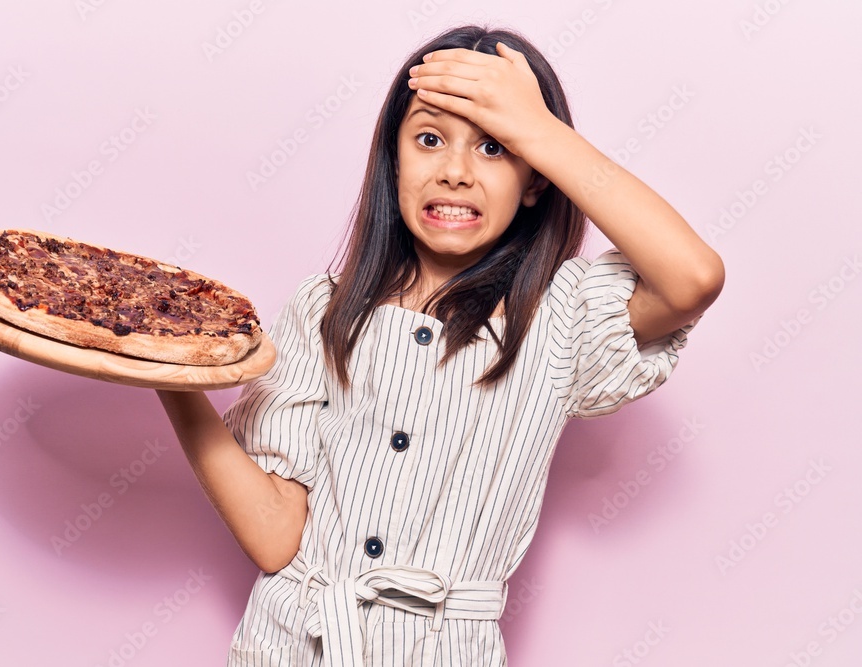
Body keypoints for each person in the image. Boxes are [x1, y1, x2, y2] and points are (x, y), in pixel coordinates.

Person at [157, 23, 724, 667]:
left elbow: (691, 278)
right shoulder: (327, 310)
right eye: (429, 139)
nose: (455, 172)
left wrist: (536, 129)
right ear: (394, 159)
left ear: (535, 179)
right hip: (288, 644)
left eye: (493, 147)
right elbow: (275, 537)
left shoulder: (560, 316)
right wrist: (169, 377)